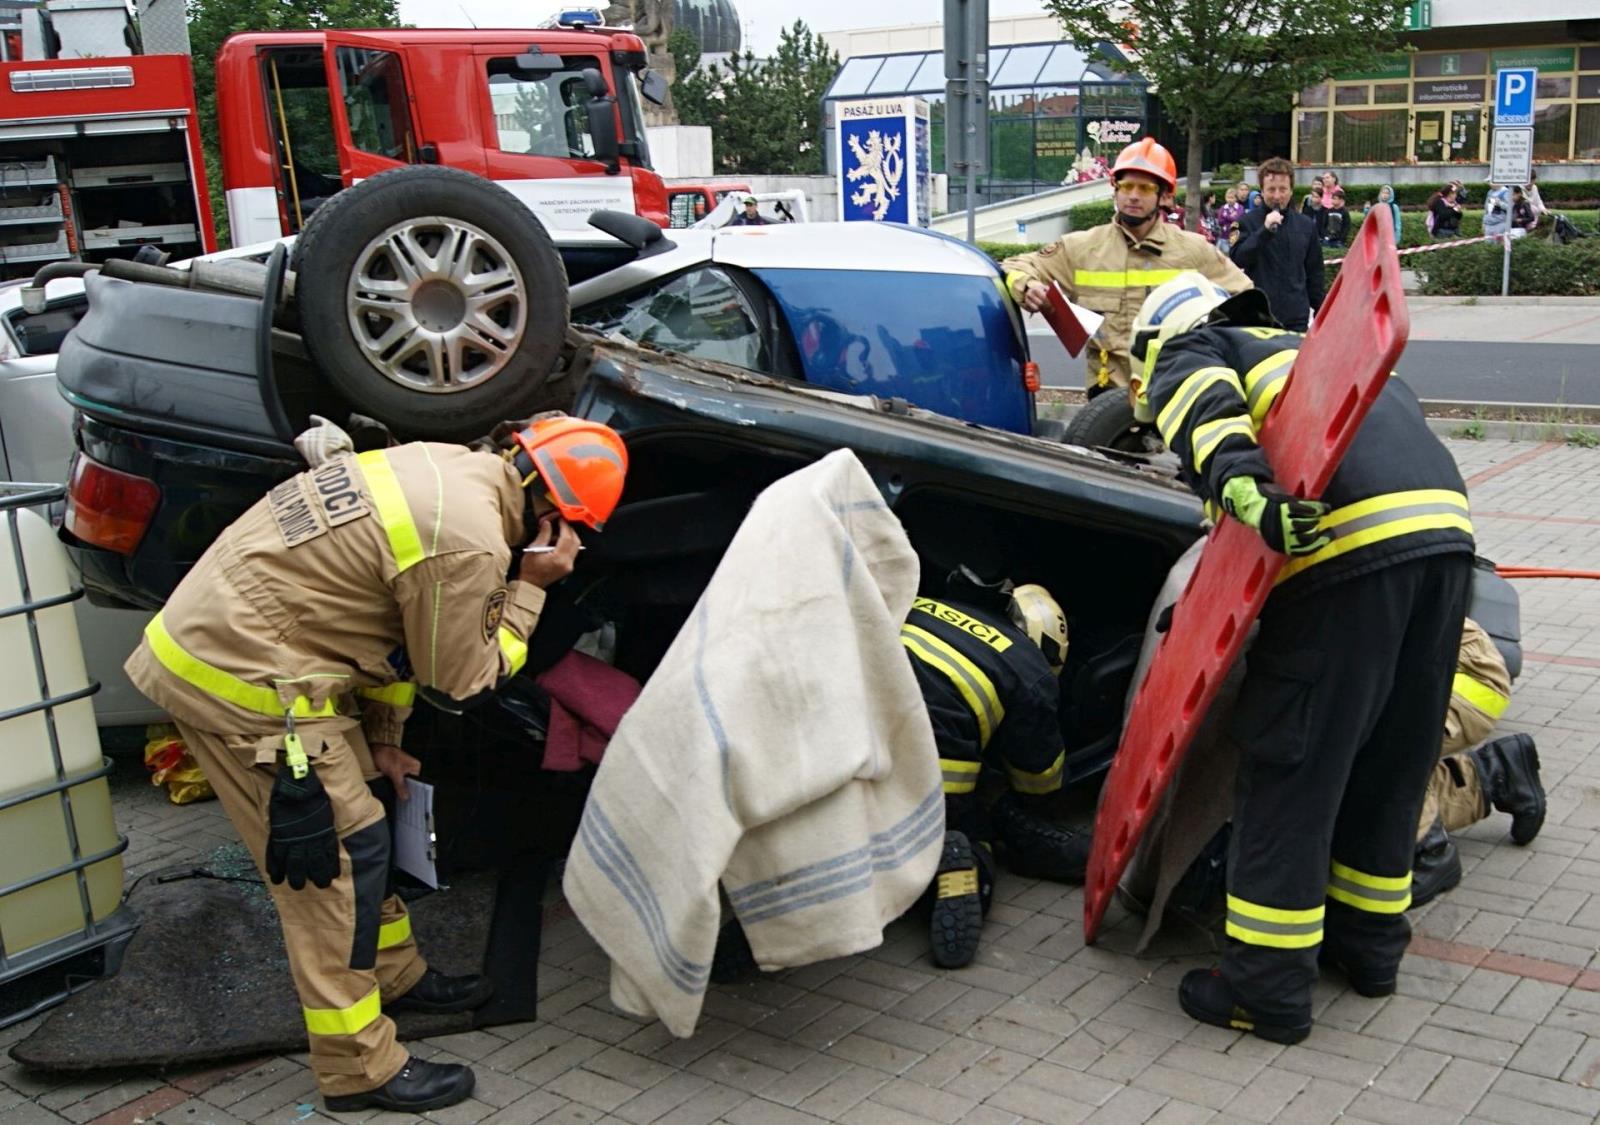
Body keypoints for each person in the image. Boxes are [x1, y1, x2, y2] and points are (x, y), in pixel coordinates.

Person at [123, 417, 629, 1114]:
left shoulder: (445, 465)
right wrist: (534, 586)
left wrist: (384, 734)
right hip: (247, 683)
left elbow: (396, 634)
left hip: (257, 652)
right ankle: (358, 1066)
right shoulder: (472, 541)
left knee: (365, 808)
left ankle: (395, 973)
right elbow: (462, 678)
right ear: (555, 519)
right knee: (334, 863)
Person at [1128, 271, 1475, 1044]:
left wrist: (1252, 500)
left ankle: (1265, 988)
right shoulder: (1316, 350)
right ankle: (1369, 948)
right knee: (1391, 756)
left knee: (1295, 766)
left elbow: (1208, 421)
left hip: (1340, 548)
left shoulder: (1200, 344)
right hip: (1446, 538)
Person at [901, 580, 1079, 968]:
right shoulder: (1030, 669)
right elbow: (1038, 776)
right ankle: (962, 866)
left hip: (847, 729)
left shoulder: (930, 604)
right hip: (932, 768)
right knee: (971, 824)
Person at [1000, 137, 1249, 396]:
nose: (1132, 196)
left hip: (1176, 396)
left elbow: (1245, 299)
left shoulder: (1195, 251)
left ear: (1164, 196)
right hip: (1108, 403)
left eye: (1144, 188)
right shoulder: (1081, 249)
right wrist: (1028, 286)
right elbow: (1015, 265)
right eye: (1126, 186)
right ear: (1115, 189)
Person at [1412, 616, 1546, 904]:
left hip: (1465, 679)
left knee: (1367, 748)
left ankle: (1427, 850)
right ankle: (1492, 775)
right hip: (1432, 673)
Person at [1230, 156, 1324, 331]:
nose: (1277, 196)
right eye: (1271, 189)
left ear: (1291, 190)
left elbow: (1315, 272)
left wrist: (1321, 309)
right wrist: (1264, 231)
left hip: (1295, 317)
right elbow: (1237, 258)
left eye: (1283, 189)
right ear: (1262, 191)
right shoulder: (1246, 222)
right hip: (1258, 317)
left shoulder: (1305, 225)